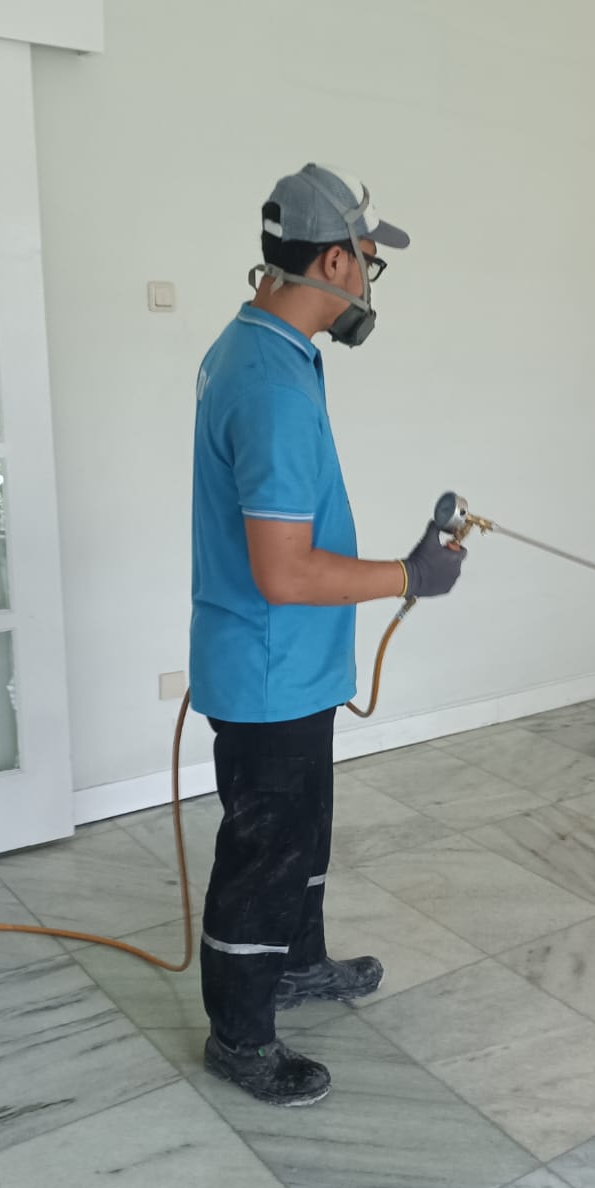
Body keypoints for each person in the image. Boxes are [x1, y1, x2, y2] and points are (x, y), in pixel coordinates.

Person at [190, 163, 465, 1106]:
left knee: (302, 835)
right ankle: (240, 1038)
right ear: (337, 261)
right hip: (267, 669)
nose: (367, 289)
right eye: (367, 267)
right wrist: (410, 576)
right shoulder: (268, 384)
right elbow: (283, 572)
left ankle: (298, 967)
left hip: (290, 665)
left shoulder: (265, 348)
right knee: (263, 855)